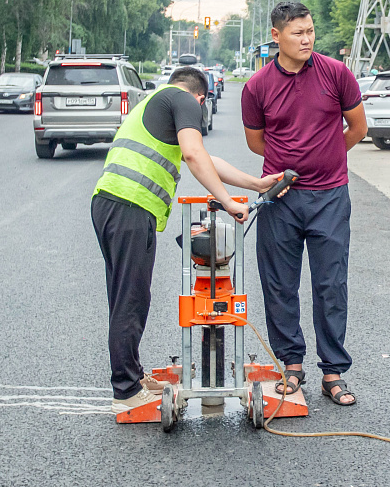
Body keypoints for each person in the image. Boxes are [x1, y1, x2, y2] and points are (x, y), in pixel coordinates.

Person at [92, 66, 281, 416]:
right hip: (128, 206)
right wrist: (226, 200)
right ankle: (126, 390)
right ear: (201, 98)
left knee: (129, 295)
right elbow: (194, 156)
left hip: (115, 204)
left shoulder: (158, 101)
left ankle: (131, 379)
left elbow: (205, 157)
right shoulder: (185, 100)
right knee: (129, 299)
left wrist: (254, 185)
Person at [242, 1, 368, 406]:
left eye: (310, 30)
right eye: (298, 32)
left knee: (331, 283)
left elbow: (358, 127)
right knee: (279, 284)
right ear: (276, 36)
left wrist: (327, 156)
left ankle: (333, 371)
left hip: (330, 195)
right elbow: (256, 141)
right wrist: (285, 168)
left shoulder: (336, 73)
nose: (307, 38)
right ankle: (290, 366)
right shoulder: (257, 86)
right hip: (280, 198)